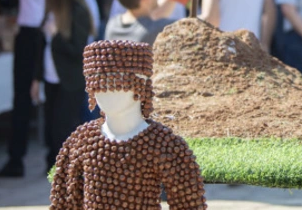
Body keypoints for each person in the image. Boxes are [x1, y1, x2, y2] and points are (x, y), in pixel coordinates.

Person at [0, 0, 99, 178]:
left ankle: (24, 159)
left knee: (39, 107)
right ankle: (56, 161)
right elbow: (91, 9)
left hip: (41, 41)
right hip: (48, 44)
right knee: (55, 113)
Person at [49, 40, 206, 209]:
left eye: (118, 81)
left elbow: (189, 204)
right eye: (99, 81)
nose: (108, 90)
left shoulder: (164, 144)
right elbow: (64, 202)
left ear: (141, 81)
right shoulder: (81, 141)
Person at [33, 0, 94, 171]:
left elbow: (78, 50)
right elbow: (41, 48)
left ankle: (68, 168)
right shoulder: (50, 11)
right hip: (51, 77)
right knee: (51, 125)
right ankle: (53, 165)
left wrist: (56, 35)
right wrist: (36, 78)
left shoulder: (78, 11)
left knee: (64, 126)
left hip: (70, 79)